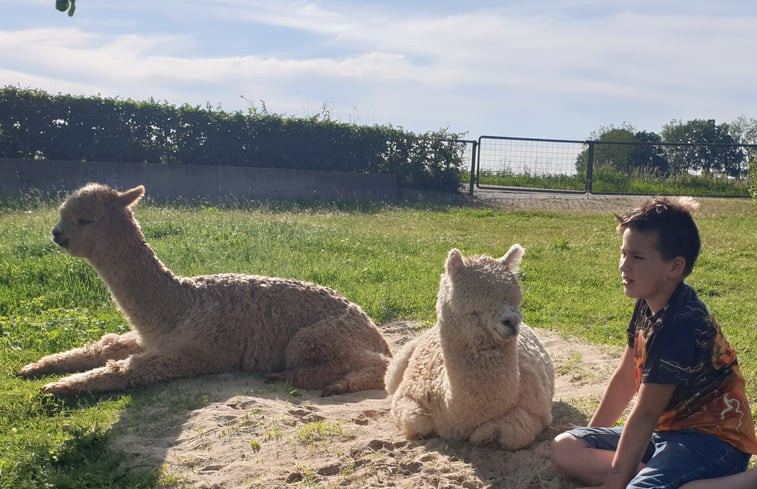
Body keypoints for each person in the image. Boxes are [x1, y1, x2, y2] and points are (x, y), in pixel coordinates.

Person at [550, 196, 757, 489]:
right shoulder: (648, 304)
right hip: (666, 434)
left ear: (674, 267)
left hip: (714, 442)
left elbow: (646, 413)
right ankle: (671, 480)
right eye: (623, 254)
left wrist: (614, 482)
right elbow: (625, 378)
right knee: (566, 446)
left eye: (637, 257)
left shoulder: (680, 325)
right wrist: (592, 431)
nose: (624, 266)